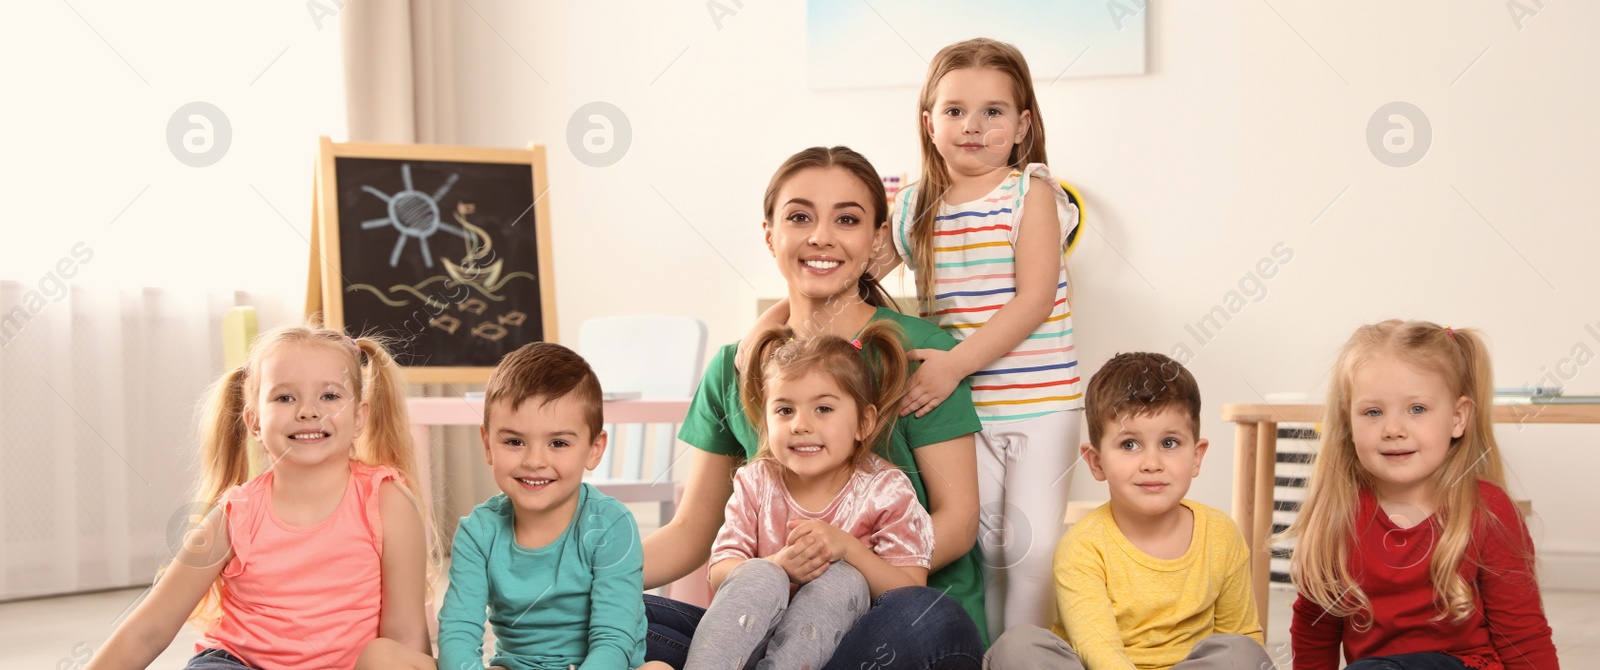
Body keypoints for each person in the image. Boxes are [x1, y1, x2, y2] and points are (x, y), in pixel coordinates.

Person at [746, 38, 1082, 633]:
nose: (972, 126)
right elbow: (844, 275)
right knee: (987, 545)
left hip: (1037, 401)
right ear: (929, 123)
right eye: (954, 111)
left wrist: (954, 365)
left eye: (993, 112)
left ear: (1023, 123)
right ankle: (981, 653)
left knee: (1029, 553)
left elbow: (1033, 300)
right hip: (960, 402)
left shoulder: (1029, 195)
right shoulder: (913, 207)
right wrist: (770, 324)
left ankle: (1020, 654)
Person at [643, 146, 987, 668]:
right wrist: (580, 578)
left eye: (846, 219)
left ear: (876, 238)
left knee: (932, 619)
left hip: (887, 618)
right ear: (769, 234)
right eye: (799, 216)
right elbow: (693, 532)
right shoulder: (732, 367)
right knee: (605, 612)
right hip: (765, 622)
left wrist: (841, 560)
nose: (820, 236)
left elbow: (958, 523)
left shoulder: (924, 356)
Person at [88, 326, 432, 670]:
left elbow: (405, 637)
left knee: (386, 659)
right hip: (240, 663)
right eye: (285, 398)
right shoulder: (234, 516)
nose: (308, 411)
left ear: (359, 417)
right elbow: (147, 632)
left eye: (329, 396)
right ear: (253, 422)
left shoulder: (387, 501)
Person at [361, 342, 667, 670]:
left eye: (558, 443)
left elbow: (613, 639)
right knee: (380, 656)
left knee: (658, 669)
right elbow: (459, 631)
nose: (534, 460)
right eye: (514, 442)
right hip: (514, 666)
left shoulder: (611, 524)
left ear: (594, 449)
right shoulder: (478, 531)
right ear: (487, 444)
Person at [1285, 321, 1558, 669]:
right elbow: (1314, 634)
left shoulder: (1487, 509)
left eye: (1417, 409)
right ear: (1348, 421)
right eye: (1373, 412)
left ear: (1458, 418)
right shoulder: (1336, 513)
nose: (1393, 430)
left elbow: (1523, 634)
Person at [985, 352, 1274, 669]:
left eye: (1169, 443)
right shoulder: (1082, 547)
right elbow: (1099, 650)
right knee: (1017, 646)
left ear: (1196, 455)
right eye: (1129, 445)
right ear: (1096, 462)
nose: (1151, 464)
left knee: (1244, 653)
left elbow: (1241, 637)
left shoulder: (1221, 534)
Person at [684, 323, 935, 668]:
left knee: (844, 579)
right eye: (785, 410)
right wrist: (778, 567)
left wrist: (848, 549)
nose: (801, 425)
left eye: (823, 409)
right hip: (748, 641)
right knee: (758, 574)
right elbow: (719, 571)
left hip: (840, 651)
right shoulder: (756, 481)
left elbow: (910, 590)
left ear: (864, 423)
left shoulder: (884, 489)